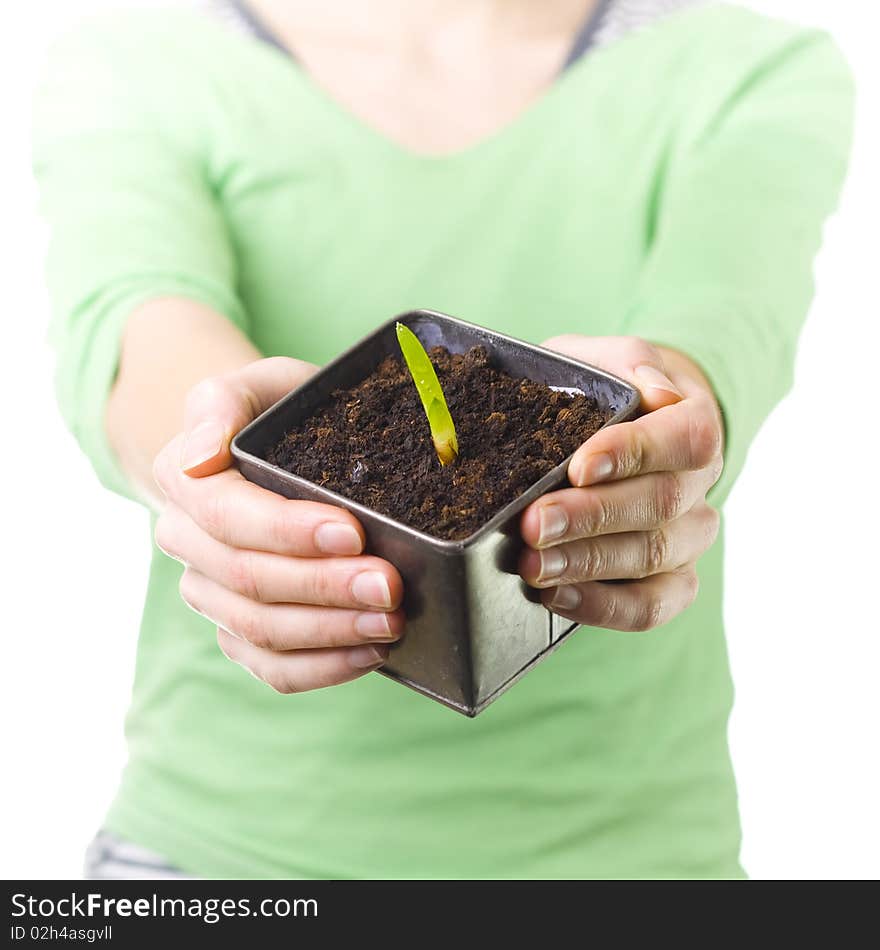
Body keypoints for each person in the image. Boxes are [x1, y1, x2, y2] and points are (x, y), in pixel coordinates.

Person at [32, 0, 853, 879]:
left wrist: (666, 427)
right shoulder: (137, 57)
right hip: (216, 853)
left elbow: (725, 331)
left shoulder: (748, 66)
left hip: (623, 856)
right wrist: (221, 462)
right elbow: (137, 326)